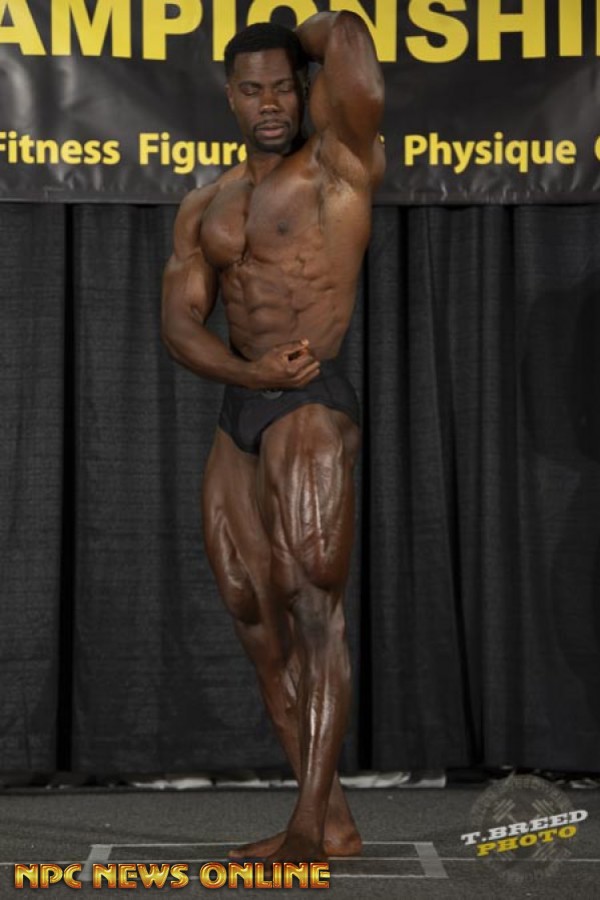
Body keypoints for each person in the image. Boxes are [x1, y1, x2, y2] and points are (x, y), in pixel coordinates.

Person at [161, 11, 385, 865]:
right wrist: (249, 374)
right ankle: (333, 822)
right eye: (252, 90)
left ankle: (304, 829)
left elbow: (354, 55)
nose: (269, 104)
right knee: (253, 610)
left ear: (304, 90)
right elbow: (180, 326)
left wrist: (311, 27)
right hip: (245, 403)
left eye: (284, 87)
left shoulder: (338, 165)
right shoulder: (206, 205)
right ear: (230, 97)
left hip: (312, 401)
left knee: (312, 603)